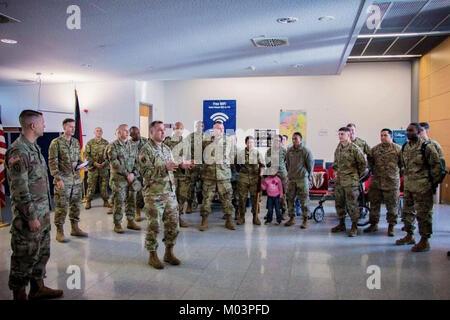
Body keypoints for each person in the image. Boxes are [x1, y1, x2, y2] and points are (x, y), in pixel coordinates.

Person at [5, 110, 63, 300]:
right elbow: (19, 189)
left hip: (42, 213)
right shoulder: (19, 151)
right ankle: (19, 294)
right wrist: (31, 217)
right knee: (24, 257)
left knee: (41, 252)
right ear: (32, 126)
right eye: (42, 122)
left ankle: (38, 288)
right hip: (29, 217)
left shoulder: (33, 147)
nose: (44, 126)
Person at [139, 121, 192, 269]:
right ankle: (152, 255)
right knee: (154, 226)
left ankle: (169, 252)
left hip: (169, 193)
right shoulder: (145, 150)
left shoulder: (167, 148)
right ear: (151, 133)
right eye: (159, 130)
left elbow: (171, 165)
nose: (163, 133)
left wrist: (181, 165)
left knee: (174, 226)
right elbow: (145, 173)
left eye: (164, 130)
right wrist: (164, 167)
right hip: (154, 195)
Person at [396, 123, 442, 252]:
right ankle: (409, 236)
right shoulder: (406, 146)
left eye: (411, 130)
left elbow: (437, 166)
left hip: (423, 187)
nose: (408, 133)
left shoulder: (427, 147)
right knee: (407, 213)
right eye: (407, 131)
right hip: (409, 186)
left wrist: (431, 184)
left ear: (419, 131)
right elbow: (403, 165)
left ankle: (424, 240)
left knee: (423, 215)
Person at [49, 118, 88, 243]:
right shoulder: (56, 143)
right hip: (63, 180)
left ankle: (74, 228)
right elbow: (52, 162)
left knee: (76, 205)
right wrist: (58, 178)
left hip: (76, 180)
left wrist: (83, 165)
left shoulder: (76, 142)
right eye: (70, 126)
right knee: (62, 206)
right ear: (64, 127)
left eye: (74, 127)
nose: (73, 129)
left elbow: (78, 160)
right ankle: (59, 231)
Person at [364, 129, 402, 236]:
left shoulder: (398, 149)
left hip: (391, 183)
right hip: (377, 182)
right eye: (381, 135)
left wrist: (395, 175)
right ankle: (373, 224)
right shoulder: (375, 149)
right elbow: (370, 162)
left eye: (385, 135)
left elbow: (403, 165)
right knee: (374, 205)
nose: (383, 137)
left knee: (392, 206)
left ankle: (391, 226)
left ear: (391, 136)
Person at [331, 127, 367, 237]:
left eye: (342, 134)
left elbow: (363, 164)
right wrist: (336, 171)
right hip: (340, 182)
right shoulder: (339, 148)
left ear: (348, 135)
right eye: (339, 134)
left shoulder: (354, 149)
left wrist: (355, 176)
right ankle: (341, 224)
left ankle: (354, 227)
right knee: (339, 203)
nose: (340, 136)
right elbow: (336, 163)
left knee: (352, 205)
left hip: (351, 182)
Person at [199, 121, 235, 231]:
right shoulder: (206, 141)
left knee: (227, 199)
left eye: (221, 128)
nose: (220, 130)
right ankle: (204, 221)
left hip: (223, 175)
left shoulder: (228, 141)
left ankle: (229, 220)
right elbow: (201, 157)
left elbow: (232, 156)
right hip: (209, 176)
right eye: (217, 128)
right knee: (206, 199)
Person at [108, 124, 141, 233]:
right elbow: (114, 163)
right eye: (125, 130)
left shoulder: (132, 145)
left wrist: (133, 174)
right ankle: (117, 224)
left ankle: (130, 221)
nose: (127, 132)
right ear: (119, 132)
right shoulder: (113, 146)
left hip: (132, 179)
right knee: (119, 202)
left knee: (132, 200)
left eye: (128, 131)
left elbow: (137, 161)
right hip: (119, 180)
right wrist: (127, 174)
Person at [163, 121, 190, 228]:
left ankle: (178, 216)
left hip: (183, 175)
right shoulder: (167, 142)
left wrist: (187, 163)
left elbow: (188, 157)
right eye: (176, 128)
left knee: (182, 196)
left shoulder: (186, 142)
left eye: (181, 128)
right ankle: (171, 218)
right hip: (171, 175)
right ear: (173, 129)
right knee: (170, 197)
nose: (179, 130)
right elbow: (165, 156)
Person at [285, 132, 314, 228]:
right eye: (293, 139)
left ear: (301, 140)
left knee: (304, 200)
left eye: (296, 139)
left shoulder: (306, 151)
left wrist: (309, 177)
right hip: (292, 179)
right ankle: (292, 218)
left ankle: (305, 220)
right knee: (290, 199)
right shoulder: (289, 151)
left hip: (302, 179)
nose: (294, 141)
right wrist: (290, 174)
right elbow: (288, 164)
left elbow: (310, 166)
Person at [235, 136, 264, 225]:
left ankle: (255, 217)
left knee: (255, 198)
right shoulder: (240, 153)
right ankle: (242, 217)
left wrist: (261, 174)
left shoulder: (257, 153)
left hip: (254, 178)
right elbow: (236, 164)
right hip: (243, 177)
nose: (250, 144)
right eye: (249, 142)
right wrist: (241, 172)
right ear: (246, 143)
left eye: (252, 142)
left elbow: (262, 165)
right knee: (242, 198)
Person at [84, 127, 110, 209]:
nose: (99, 132)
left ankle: (105, 201)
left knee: (104, 185)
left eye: (100, 131)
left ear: (102, 132)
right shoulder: (90, 143)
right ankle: (88, 201)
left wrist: (104, 163)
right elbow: (86, 155)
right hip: (93, 168)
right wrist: (94, 163)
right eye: (97, 131)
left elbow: (109, 155)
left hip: (103, 168)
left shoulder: (106, 143)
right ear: (94, 133)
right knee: (91, 186)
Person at [265, 134, 288, 220]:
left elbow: (287, 162)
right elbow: (267, 164)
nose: (276, 142)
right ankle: (269, 212)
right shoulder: (269, 151)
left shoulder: (284, 151)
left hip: (282, 175)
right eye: (275, 140)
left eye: (278, 141)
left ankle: (284, 212)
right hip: (272, 176)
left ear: (281, 142)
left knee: (283, 194)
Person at [130, 126, 148, 222]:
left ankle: (147, 210)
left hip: (145, 171)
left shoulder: (145, 141)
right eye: (135, 133)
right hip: (134, 171)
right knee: (137, 192)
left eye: (138, 133)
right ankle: (137, 211)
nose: (138, 135)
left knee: (147, 191)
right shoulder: (128, 144)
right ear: (131, 134)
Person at [185, 120, 204, 213]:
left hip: (204, 167)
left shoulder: (207, 138)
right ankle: (189, 205)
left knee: (205, 187)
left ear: (203, 127)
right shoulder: (190, 137)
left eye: (200, 126)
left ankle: (203, 206)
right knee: (190, 187)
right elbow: (185, 150)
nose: (198, 127)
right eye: (197, 126)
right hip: (192, 166)